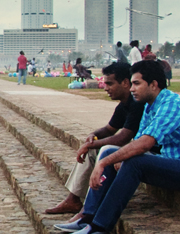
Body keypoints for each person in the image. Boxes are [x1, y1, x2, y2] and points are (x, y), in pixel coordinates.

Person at [56, 60, 180, 234]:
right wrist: (111, 157)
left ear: (154, 84)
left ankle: (99, 228)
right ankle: (88, 216)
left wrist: (102, 163)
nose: (132, 89)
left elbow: (144, 144)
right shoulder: (150, 105)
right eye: (132, 83)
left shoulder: (172, 105)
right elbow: (137, 140)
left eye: (137, 83)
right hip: (173, 161)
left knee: (133, 162)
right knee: (111, 153)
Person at [44, 62, 145, 216]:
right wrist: (93, 136)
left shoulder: (137, 105)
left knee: (97, 150)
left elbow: (122, 138)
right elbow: (109, 129)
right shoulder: (123, 106)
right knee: (94, 147)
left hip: (148, 152)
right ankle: (74, 200)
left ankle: (78, 202)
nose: (105, 88)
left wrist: (91, 145)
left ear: (125, 83)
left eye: (110, 84)